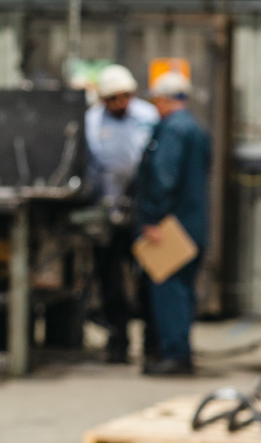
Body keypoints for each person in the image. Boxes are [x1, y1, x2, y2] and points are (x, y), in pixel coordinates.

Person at [135, 71, 211, 376]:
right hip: (194, 223)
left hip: (171, 227)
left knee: (169, 289)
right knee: (183, 291)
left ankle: (176, 354)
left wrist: (152, 217)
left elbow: (164, 178)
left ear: (165, 99)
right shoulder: (197, 130)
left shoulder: (172, 131)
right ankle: (179, 349)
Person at [84, 64, 159, 364]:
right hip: (108, 212)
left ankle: (152, 342)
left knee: (149, 277)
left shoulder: (147, 117)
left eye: (125, 97)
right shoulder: (92, 122)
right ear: (104, 99)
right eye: (114, 99)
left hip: (143, 213)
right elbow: (90, 166)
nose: (121, 104)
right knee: (110, 279)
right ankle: (118, 340)